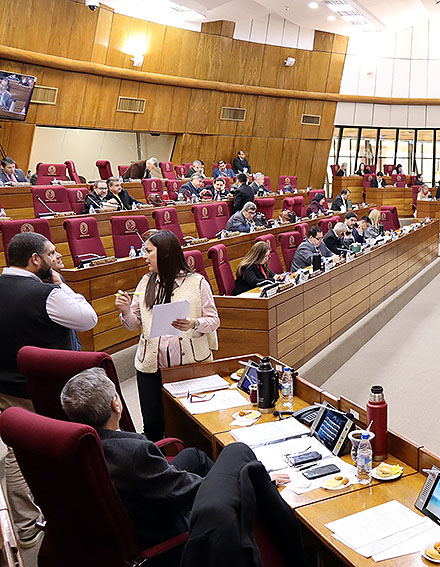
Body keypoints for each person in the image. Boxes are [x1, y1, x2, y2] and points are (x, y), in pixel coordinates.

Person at [59, 368, 291, 553]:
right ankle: (258, 505)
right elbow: (189, 489)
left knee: (195, 456)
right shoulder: (135, 453)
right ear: (116, 404)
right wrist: (245, 483)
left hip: (137, 500)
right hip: (163, 524)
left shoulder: (76, 444)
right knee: (237, 452)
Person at [0, 232, 98, 546]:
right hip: (41, 390)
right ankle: (66, 511)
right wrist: (60, 283)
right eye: (51, 253)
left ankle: (26, 525)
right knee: (59, 446)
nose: (56, 258)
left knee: (17, 449)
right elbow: (88, 319)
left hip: (4, 385)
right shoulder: (48, 294)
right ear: (36, 260)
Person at [115, 230, 219, 441]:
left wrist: (194, 323)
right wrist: (126, 310)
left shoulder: (197, 282)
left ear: (164, 253)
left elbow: (214, 320)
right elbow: (134, 324)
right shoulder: (145, 282)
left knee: (191, 420)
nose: (144, 256)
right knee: (153, 423)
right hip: (151, 363)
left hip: (189, 363)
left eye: (149, 251)